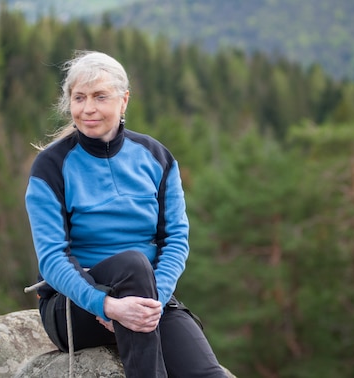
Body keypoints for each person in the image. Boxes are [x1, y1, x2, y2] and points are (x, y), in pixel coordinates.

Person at [24, 50, 227, 378]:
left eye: (100, 97)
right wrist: (106, 305)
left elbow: (175, 240)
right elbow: (52, 258)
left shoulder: (156, 157)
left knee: (207, 374)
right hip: (74, 305)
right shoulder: (51, 166)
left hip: (149, 296)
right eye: (79, 97)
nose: (88, 108)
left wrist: (151, 301)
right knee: (133, 263)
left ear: (124, 101)